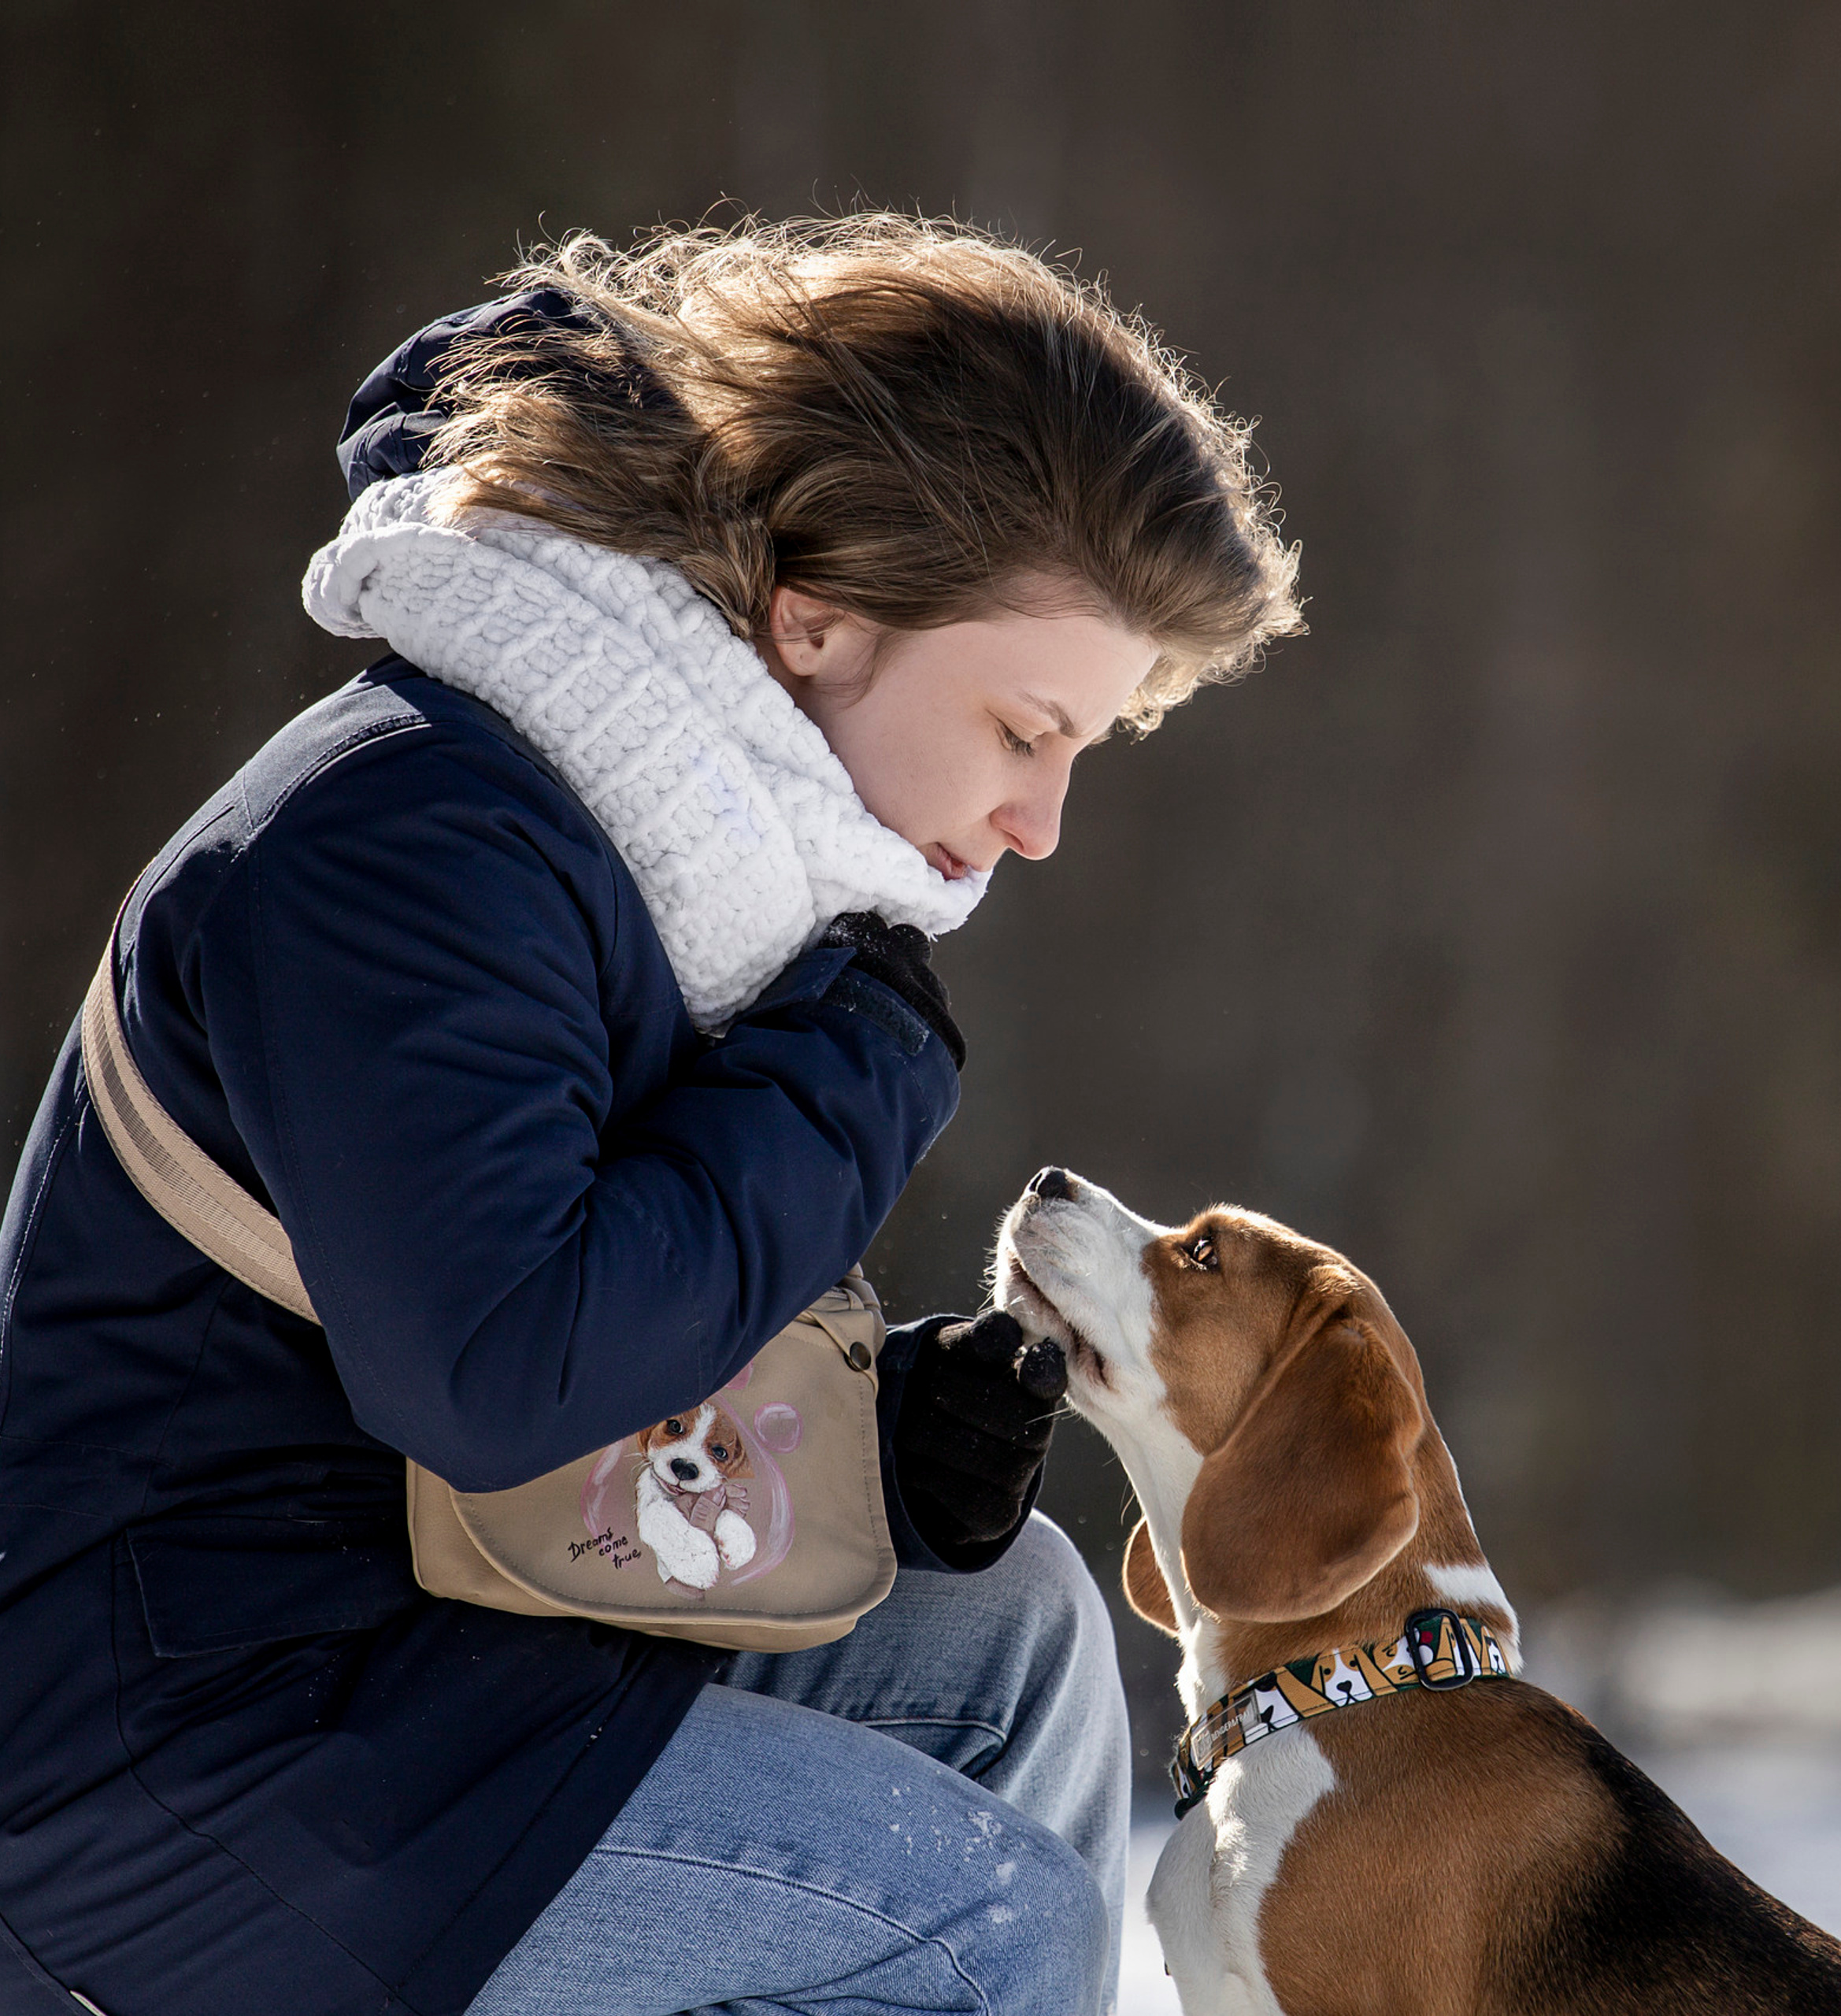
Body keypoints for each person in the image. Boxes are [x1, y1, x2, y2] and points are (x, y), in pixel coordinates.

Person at [0, 215, 1299, 2016]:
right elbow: (504, 1365)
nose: (1039, 823)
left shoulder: (656, 847)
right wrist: (854, 1066)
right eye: (1022, 730)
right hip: (179, 1751)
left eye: (1082, 746)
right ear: (812, 616)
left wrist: (873, 1434)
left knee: (1003, 1626)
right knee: (970, 1920)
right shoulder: (410, 844)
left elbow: (533, 1281)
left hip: (421, 1649)